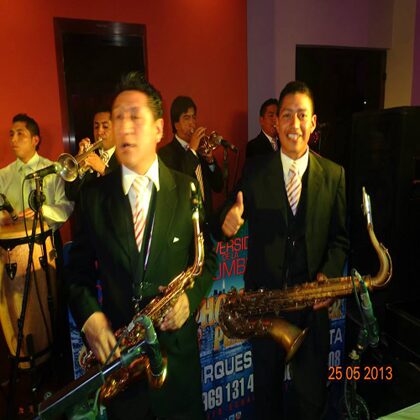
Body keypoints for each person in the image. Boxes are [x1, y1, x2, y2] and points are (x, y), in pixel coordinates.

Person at [65, 73, 216, 419]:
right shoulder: (93, 197)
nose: (125, 127)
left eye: (135, 117)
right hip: (121, 367)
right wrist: (91, 318)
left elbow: (206, 259)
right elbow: (76, 272)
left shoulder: (187, 189)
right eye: (118, 118)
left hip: (177, 365)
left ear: (159, 129)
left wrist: (189, 300)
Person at [221, 81, 349, 419]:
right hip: (265, 309)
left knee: (312, 401)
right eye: (287, 115)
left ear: (313, 123)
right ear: (276, 123)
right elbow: (226, 213)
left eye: (302, 116)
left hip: (311, 308)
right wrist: (227, 222)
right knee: (267, 401)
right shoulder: (254, 171)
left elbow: (340, 239)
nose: (295, 124)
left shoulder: (335, 175)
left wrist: (328, 276)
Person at [0, 113, 74, 230]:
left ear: (35, 140)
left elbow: (66, 207)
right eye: (11, 134)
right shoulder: (3, 175)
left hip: (47, 237)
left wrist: (43, 211)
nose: (13, 140)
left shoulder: (53, 169)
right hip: (12, 239)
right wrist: (2, 218)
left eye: (20, 134)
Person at [158, 96, 223, 220]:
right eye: (186, 118)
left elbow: (218, 186)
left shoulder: (200, 149)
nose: (192, 123)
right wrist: (192, 150)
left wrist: (210, 161)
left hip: (207, 221)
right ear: (176, 124)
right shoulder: (166, 153)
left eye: (194, 117)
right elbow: (177, 186)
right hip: (184, 222)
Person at [65, 109, 119, 202]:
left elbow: (125, 193)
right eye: (96, 127)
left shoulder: (126, 158)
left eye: (105, 127)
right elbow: (70, 195)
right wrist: (79, 167)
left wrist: (103, 170)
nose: (99, 132)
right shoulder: (89, 154)